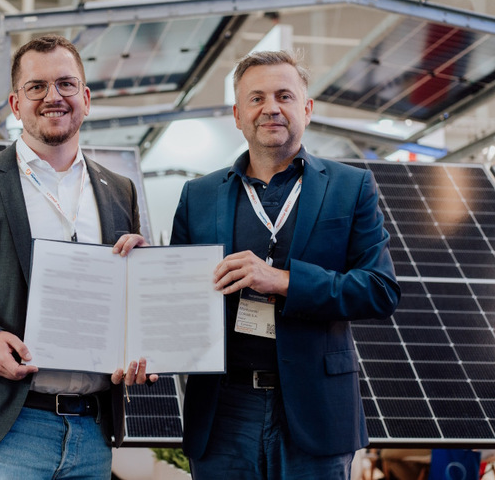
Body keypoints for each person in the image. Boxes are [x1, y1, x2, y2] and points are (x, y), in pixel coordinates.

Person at [0, 35, 154, 480]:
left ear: (86, 97)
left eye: (66, 84)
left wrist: (142, 314)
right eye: (36, 87)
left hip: (91, 432)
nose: (53, 97)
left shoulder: (120, 189)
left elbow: (129, 296)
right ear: (15, 102)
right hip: (4, 434)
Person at [170, 50, 401, 479]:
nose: (270, 107)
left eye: (284, 95)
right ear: (237, 115)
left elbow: (380, 289)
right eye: (256, 98)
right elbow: (177, 296)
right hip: (224, 412)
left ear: (306, 109)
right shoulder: (196, 195)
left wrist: (285, 281)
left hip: (314, 411)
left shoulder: (351, 187)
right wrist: (142, 268)